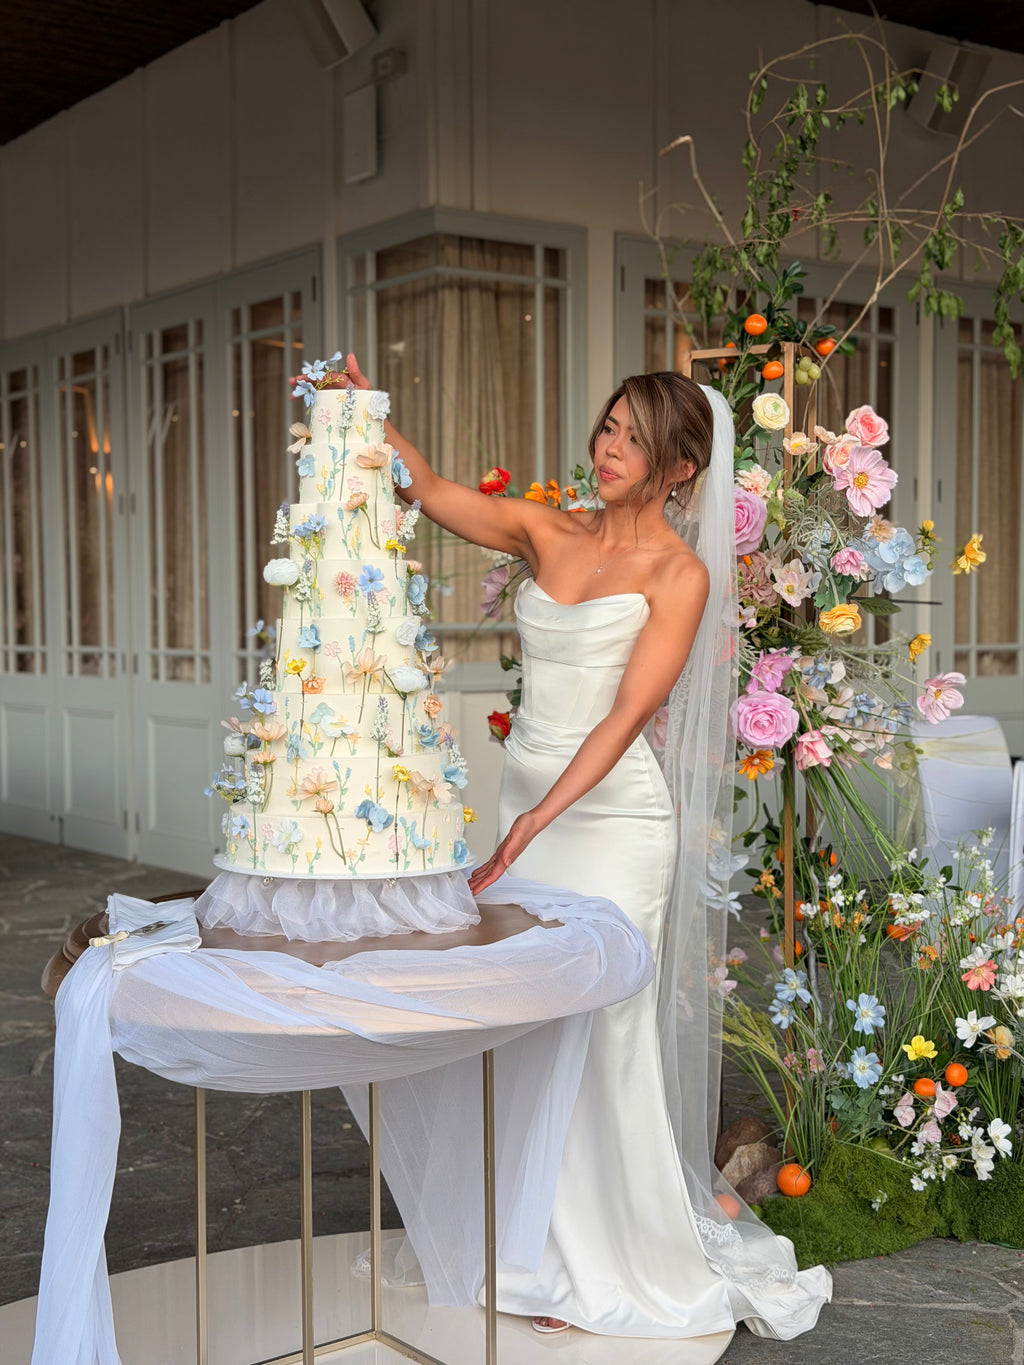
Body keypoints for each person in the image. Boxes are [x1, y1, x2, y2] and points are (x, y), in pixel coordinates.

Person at [339, 354, 832, 1349]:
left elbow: (624, 718)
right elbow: (429, 491)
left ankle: (610, 1258)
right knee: (519, 1024)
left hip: (610, 824)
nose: (609, 449)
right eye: (607, 427)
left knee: (601, 1039)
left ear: (679, 468)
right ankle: (528, 1250)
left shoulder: (680, 575)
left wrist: (531, 823)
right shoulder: (542, 527)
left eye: (634, 439)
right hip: (528, 803)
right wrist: (366, 413)